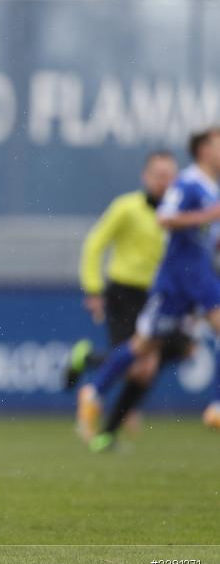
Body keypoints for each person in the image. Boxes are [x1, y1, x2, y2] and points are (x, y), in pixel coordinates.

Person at [77, 128, 220, 451]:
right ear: (204, 151)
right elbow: (166, 219)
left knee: (145, 350)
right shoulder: (188, 183)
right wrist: (94, 288)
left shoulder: (210, 188)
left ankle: (95, 392)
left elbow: (206, 236)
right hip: (167, 281)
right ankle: (214, 408)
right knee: (142, 357)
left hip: (185, 278)